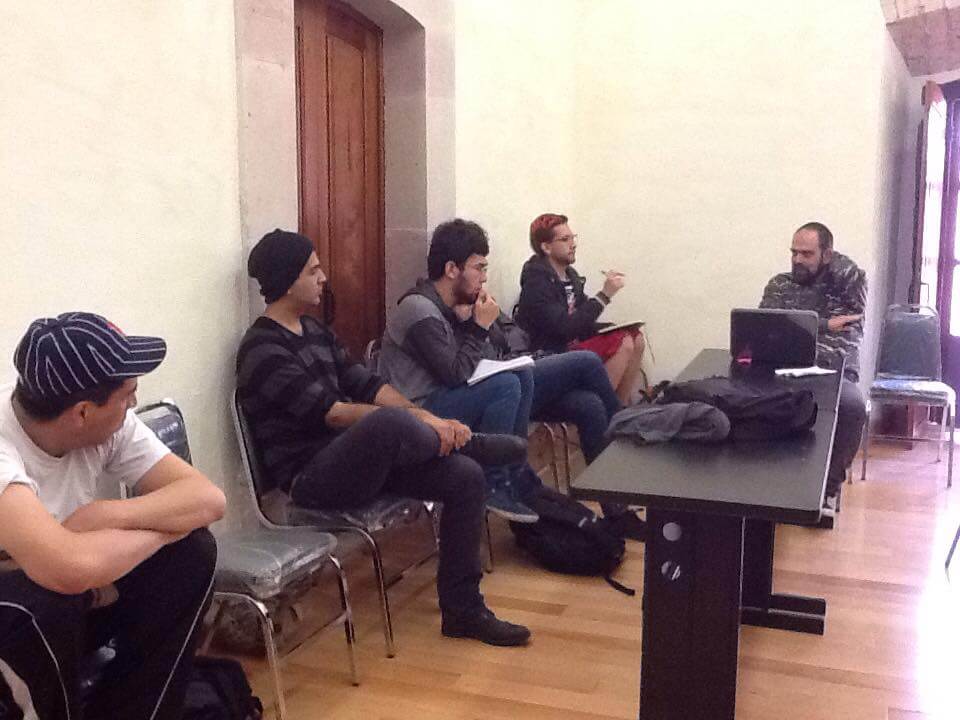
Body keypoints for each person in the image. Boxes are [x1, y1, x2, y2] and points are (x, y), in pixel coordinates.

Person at [237, 229, 531, 647]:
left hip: (360, 464)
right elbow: (333, 413)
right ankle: (472, 441)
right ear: (287, 281)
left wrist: (427, 417)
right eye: (313, 271)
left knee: (464, 475)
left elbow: (368, 384)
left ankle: (463, 610)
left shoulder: (315, 331)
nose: (323, 278)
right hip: (312, 478)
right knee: (387, 423)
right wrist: (425, 423)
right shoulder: (262, 349)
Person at [0, 312, 226, 719]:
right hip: (22, 619)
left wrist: (104, 514)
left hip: (69, 591)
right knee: (46, 606)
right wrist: (152, 531)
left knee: (192, 552)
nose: (134, 404)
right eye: (128, 395)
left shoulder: (106, 423)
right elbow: (67, 569)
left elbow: (207, 500)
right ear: (82, 413)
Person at [379, 218, 645, 537]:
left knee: (586, 404)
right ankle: (503, 480)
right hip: (423, 412)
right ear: (452, 269)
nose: (484, 277)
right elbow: (454, 374)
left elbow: (508, 342)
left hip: (485, 390)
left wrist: (478, 325)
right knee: (576, 363)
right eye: (479, 268)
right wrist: (476, 327)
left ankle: (616, 509)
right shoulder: (419, 309)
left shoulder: (462, 303)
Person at [760, 221, 868, 518]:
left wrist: (799, 326)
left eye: (806, 254)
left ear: (827, 255)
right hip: (785, 369)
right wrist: (824, 325)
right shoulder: (780, 285)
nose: (797, 260)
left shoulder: (847, 290)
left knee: (852, 406)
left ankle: (826, 492)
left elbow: (854, 274)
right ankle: (765, 487)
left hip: (834, 372)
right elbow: (767, 328)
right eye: (793, 252)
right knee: (746, 399)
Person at [517, 213, 647, 405]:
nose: (573, 244)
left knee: (636, 337)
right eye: (565, 239)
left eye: (573, 238)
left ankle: (621, 407)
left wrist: (614, 328)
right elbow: (565, 328)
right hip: (551, 353)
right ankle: (608, 410)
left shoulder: (571, 276)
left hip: (574, 343)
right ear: (546, 247)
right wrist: (604, 295)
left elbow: (583, 321)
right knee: (624, 342)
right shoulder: (537, 282)